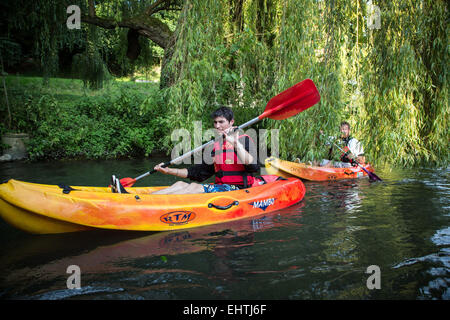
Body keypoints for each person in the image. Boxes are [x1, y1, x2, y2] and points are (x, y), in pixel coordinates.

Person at [138, 106, 259, 194]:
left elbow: (254, 167)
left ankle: (152, 204)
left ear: (231, 122)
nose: (217, 126)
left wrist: (236, 144)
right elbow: (198, 173)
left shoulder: (244, 140)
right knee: (180, 184)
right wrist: (168, 170)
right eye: (215, 122)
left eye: (221, 122)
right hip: (221, 188)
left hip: (239, 190)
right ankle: (143, 200)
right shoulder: (215, 146)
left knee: (194, 188)